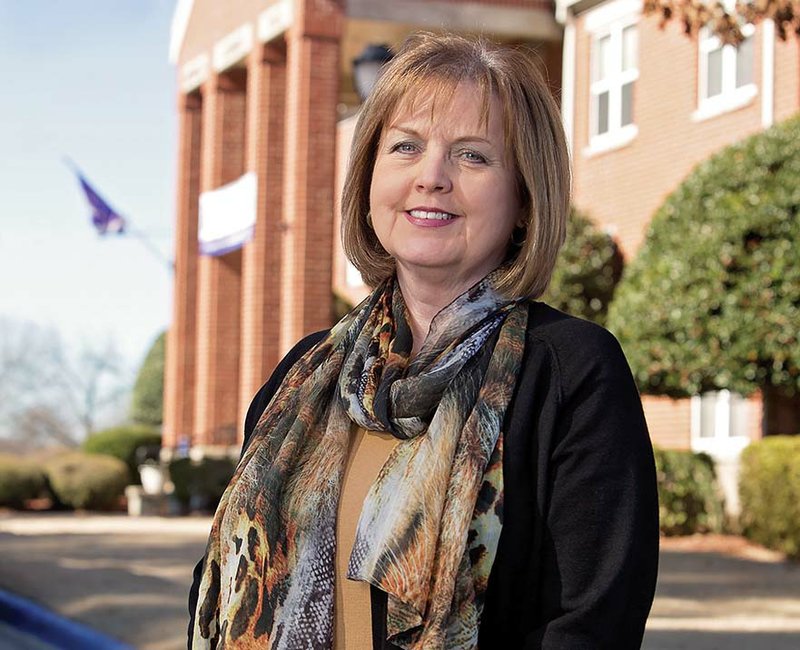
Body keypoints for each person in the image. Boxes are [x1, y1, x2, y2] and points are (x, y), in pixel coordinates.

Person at [188, 32, 659, 649]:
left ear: (523, 199)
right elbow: (220, 582)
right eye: (406, 147)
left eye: (472, 156)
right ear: (369, 178)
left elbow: (592, 623)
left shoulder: (571, 370)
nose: (431, 177)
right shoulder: (306, 376)